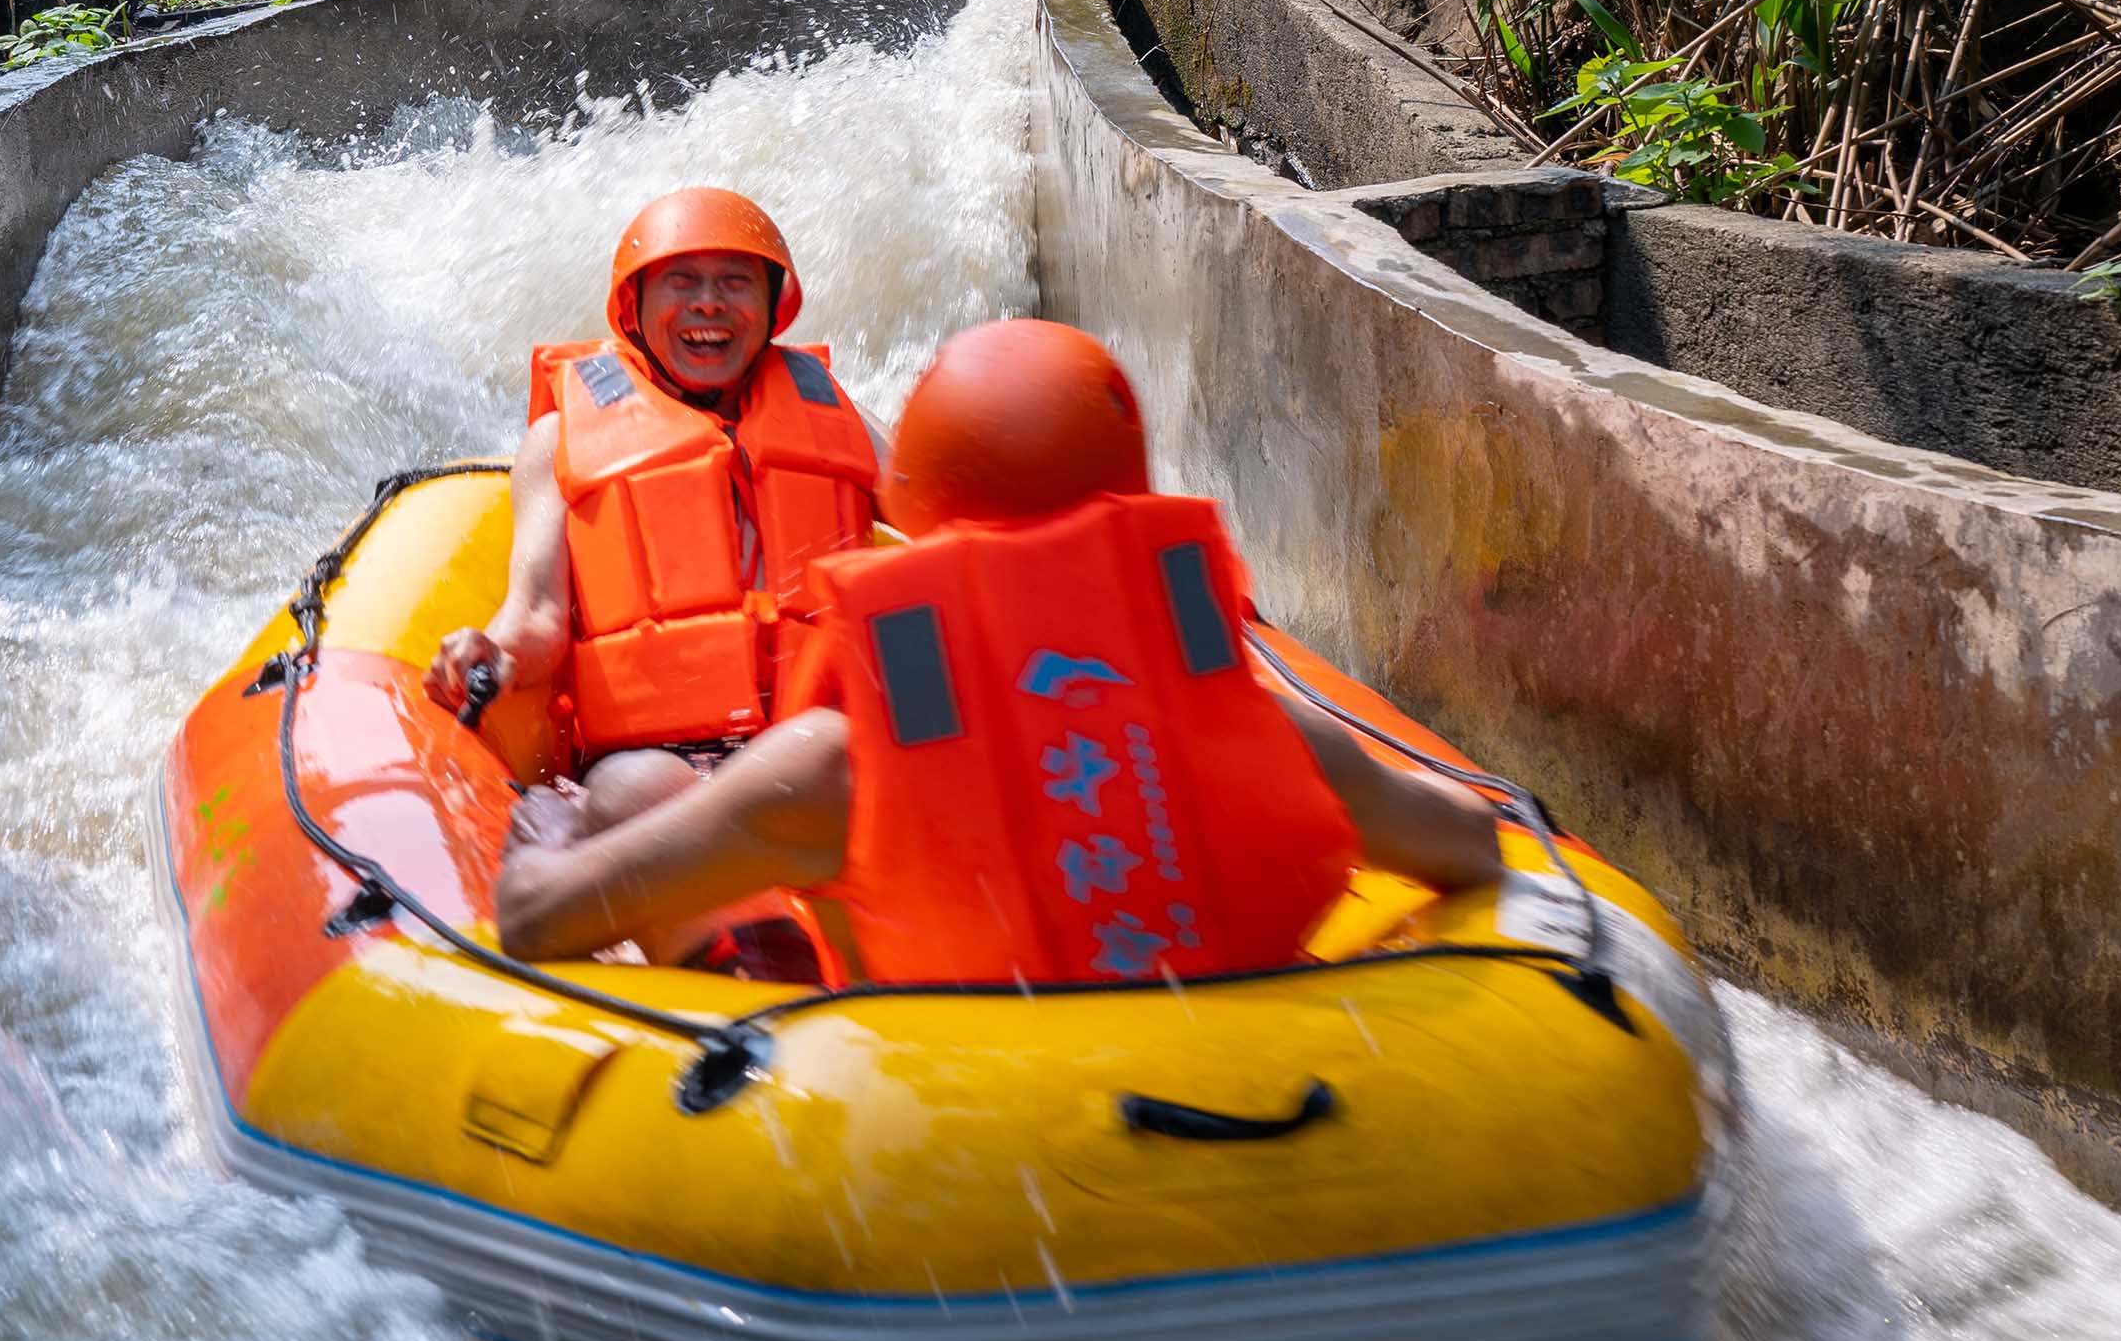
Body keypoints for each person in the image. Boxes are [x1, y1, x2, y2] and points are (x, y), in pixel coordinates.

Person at [491, 317, 1501, 971]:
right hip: (1301, 1117)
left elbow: (540, 922)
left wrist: (542, 822)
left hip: (976, 1172)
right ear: (1130, 494)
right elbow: (1468, 846)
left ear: (919, 511)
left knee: (620, 799)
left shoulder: (834, 771)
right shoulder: (1266, 729)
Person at [426, 189, 879, 894]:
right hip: (660, 755)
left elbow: (945, 521)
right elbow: (538, 617)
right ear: (634, 307)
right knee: (644, 788)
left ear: (772, 305)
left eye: (734, 282)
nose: (708, 305)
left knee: (844, 762)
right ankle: (721, 947)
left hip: (804, 748)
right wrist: (494, 653)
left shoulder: (840, 416)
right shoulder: (559, 441)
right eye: (682, 282)